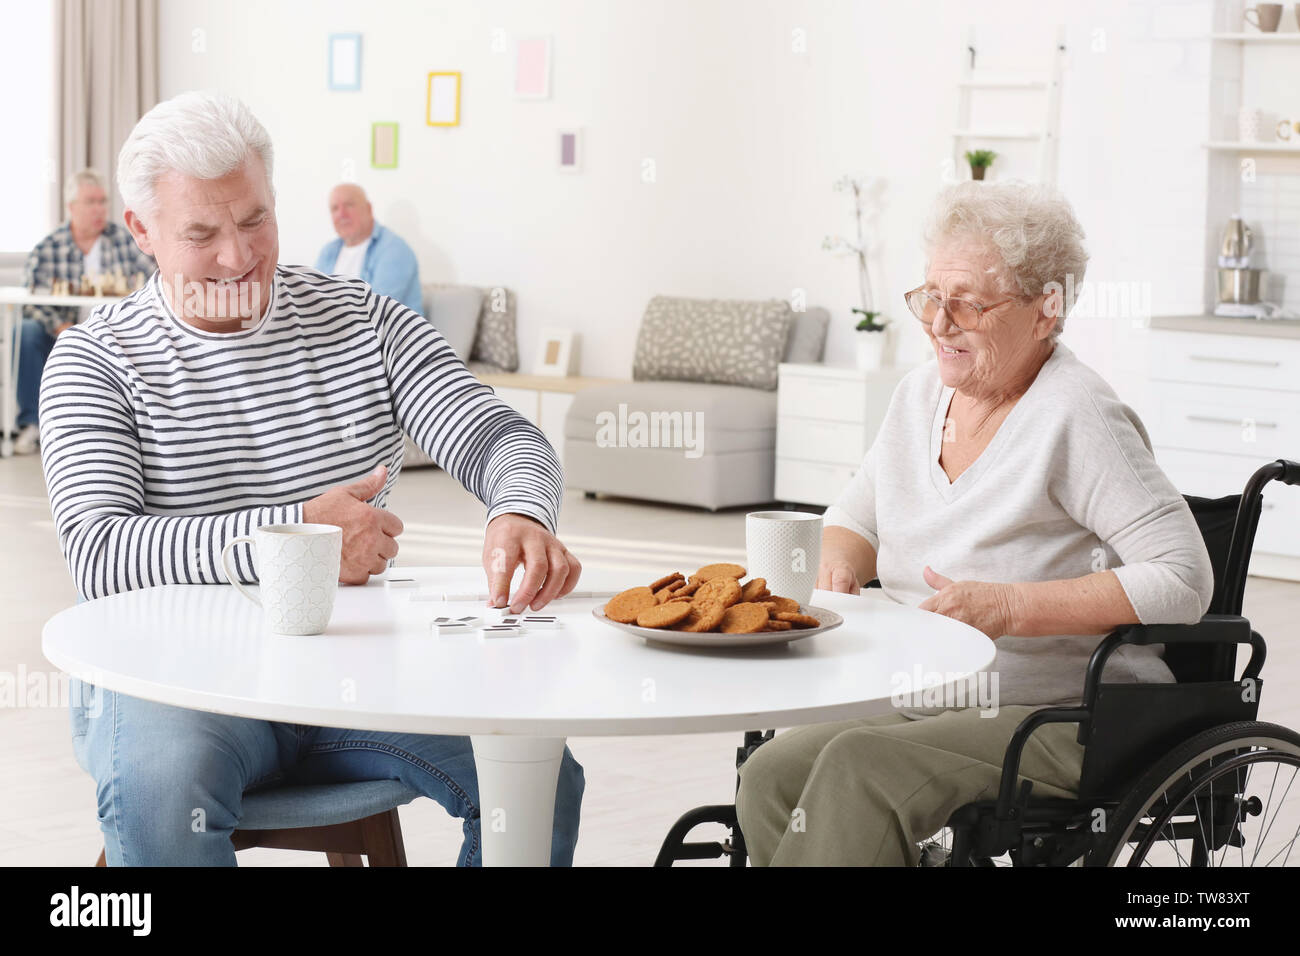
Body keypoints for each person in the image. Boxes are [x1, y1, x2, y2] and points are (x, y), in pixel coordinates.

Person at [39, 91, 584, 866]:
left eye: (255, 219)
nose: (238, 256)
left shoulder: (364, 322)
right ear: (141, 231)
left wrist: (521, 509)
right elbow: (100, 553)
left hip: (351, 673)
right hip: (177, 680)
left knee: (538, 773)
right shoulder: (95, 362)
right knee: (160, 791)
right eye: (201, 233)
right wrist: (295, 538)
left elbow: (498, 434)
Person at [734, 181, 1215, 866]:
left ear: (1046, 309)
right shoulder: (920, 394)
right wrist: (841, 561)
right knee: (773, 774)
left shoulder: (1077, 415)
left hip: (1060, 714)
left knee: (858, 769)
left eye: (967, 302)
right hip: (926, 695)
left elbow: (1184, 580)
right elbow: (852, 518)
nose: (938, 322)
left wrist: (1008, 605)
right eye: (931, 295)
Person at [14, 169, 155, 454]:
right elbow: (33, 300)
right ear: (71, 207)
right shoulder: (49, 247)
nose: (99, 209)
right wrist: (59, 327)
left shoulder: (126, 240)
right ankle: (32, 423)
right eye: (90, 202)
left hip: (117, 331)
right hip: (63, 332)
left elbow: (154, 279)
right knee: (25, 331)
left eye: (102, 201)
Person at [315, 183, 422, 314]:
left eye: (349, 205)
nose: (341, 214)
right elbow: (313, 300)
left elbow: (375, 311)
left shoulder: (394, 249)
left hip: (385, 333)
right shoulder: (328, 252)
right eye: (335, 208)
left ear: (368, 209)